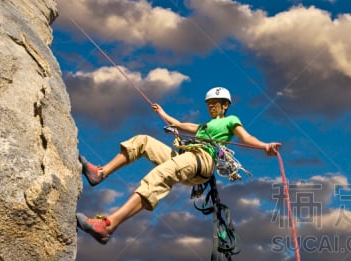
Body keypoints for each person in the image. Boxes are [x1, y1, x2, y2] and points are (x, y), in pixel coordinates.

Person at [76, 86, 281, 244]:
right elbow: (180, 125)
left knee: (159, 175)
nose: (211, 106)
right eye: (209, 103)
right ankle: (100, 173)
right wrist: (161, 112)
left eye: (215, 103)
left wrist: (265, 146)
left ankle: (108, 226)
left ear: (225, 105)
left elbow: (245, 138)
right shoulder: (204, 126)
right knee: (142, 141)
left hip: (202, 160)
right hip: (188, 156)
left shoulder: (230, 120)